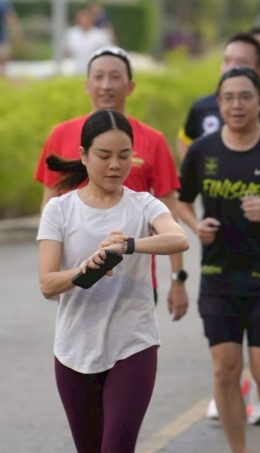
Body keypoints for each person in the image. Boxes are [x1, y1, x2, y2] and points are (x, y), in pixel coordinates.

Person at [37, 109, 189, 453]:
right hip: (74, 350)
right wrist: (85, 270)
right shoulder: (59, 210)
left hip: (133, 344)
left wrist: (129, 245)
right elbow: (47, 284)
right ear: (83, 155)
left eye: (124, 155)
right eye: (104, 156)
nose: (115, 165)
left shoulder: (144, 204)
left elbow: (179, 239)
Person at [178, 67, 260, 453]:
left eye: (245, 96)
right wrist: (196, 225)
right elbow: (182, 200)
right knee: (224, 370)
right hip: (218, 275)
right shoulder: (202, 151)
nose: (236, 104)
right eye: (228, 97)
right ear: (219, 103)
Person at [34, 46, 188, 322]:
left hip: (135, 280)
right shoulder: (60, 135)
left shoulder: (152, 140)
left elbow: (170, 214)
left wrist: (178, 277)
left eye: (115, 77)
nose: (106, 85)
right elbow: (48, 204)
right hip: (78, 280)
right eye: (99, 77)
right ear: (87, 84)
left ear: (130, 86)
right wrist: (54, 269)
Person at [178, 33, 260, 159]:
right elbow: (185, 142)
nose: (232, 67)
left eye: (241, 62)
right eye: (227, 61)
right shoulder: (202, 106)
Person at [63, 8, 112, 74]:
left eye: (86, 18)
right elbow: (64, 50)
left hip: (95, 70)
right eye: (82, 19)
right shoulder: (71, 33)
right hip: (75, 70)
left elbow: (108, 52)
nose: (84, 21)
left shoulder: (100, 34)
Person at [0, 0, 23, 77]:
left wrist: (16, 32)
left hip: (1, 37)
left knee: (3, 59)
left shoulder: (3, 4)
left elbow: (10, 18)